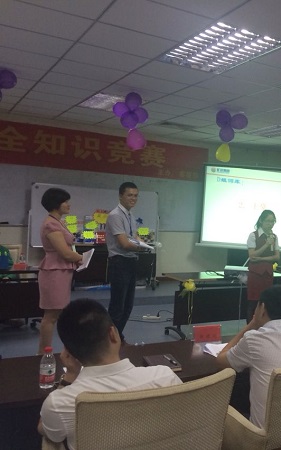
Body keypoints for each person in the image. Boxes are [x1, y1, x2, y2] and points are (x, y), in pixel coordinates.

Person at [38, 299, 181, 449]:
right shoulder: (165, 377)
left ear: (69, 352)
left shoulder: (61, 403)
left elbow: (45, 430)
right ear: (113, 334)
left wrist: (69, 378)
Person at [216, 285, 281, 429]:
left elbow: (221, 360)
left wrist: (251, 324)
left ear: (262, 308)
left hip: (264, 436)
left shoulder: (253, 339)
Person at [37, 188, 83, 354]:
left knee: (56, 314)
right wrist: (82, 258)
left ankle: (47, 352)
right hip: (54, 272)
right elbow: (64, 252)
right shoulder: (51, 224)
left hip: (60, 271)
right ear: (56, 204)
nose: (68, 205)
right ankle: (43, 354)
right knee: (51, 316)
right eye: (65, 202)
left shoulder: (58, 222)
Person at [106, 181, 144, 343]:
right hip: (120, 262)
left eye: (135, 196)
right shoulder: (115, 215)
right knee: (118, 306)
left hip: (130, 261)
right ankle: (108, 341)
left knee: (128, 306)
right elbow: (124, 244)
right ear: (120, 196)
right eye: (129, 195)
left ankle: (117, 336)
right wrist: (143, 248)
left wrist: (144, 243)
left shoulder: (130, 215)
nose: (133, 198)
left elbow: (133, 237)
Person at [246, 210, 280, 322]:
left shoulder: (274, 237)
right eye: (268, 221)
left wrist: (261, 259)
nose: (270, 224)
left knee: (267, 303)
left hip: (268, 274)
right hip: (255, 274)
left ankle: (264, 327)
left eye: (272, 221)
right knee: (253, 303)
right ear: (261, 221)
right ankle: (250, 329)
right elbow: (252, 256)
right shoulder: (253, 235)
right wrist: (267, 244)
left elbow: (277, 257)